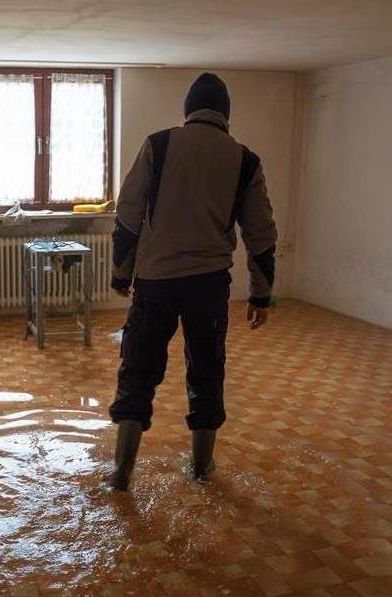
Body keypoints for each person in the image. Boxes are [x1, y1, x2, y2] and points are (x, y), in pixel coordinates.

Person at [108, 73, 277, 491]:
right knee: (206, 369)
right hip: (208, 284)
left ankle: (122, 472)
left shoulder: (159, 144)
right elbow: (261, 233)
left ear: (187, 110)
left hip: (155, 280)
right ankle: (201, 469)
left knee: (138, 371)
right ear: (226, 115)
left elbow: (129, 212)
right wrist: (261, 293)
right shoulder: (244, 159)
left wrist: (120, 272)